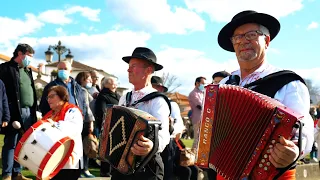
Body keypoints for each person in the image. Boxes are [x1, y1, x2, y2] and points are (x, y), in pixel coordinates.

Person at [217, 10, 314, 179]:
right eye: (237, 37)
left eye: (251, 35)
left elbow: (303, 132)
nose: (243, 41)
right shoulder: (224, 84)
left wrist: (294, 151)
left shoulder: (289, 83)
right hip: (225, 173)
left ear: (266, 40)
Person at [113, 47, 170, 180]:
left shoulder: (157, 100)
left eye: (133, 66)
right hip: (122, 164)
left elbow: (163, 134)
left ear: (149, 70)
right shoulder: (124, 98)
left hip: (146, 166)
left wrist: (151, 145)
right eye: (129, 66)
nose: (128, 69)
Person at [0, 43, 38, 180]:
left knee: (23, 144)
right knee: (11, 143)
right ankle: (7, 174)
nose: (30, 60)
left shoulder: (28, 70)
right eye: (29, 56)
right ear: (20, 54)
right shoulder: (5, 69)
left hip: (29, 112)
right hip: (14, 111)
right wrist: (6, 113)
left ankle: (17, 172)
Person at [151, 76, 199, 180]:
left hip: (169, 142)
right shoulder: (144, 102)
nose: (156, 89)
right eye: (153, 87)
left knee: (168, 172)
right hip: (150, 143)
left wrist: (172, 130)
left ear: (162, 89)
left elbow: (179, 125)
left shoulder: (171, 104)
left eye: (158, 87)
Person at [41, 85, 83, 180]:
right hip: (52, 162)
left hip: (69, 162)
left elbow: (73, 128)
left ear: (62, 96)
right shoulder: (49, 115)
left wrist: (51, 125)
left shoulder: (72, 110)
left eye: (52, 96)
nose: (48, 100)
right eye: (48, 97)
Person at [95, 76, 120, 177]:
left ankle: (114, 170)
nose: (115, 84)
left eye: (116, 82)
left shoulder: (118, 96)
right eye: (112, 82)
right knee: (106, 150)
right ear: (106, 84)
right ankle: (105, 172)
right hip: (107, 126)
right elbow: (101, 112)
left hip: (118, 125)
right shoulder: (102, 96)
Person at [75, 72, 95, 178]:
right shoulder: (81, 91)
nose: (91, 81)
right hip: (81, 122)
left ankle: (84, 169)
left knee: (85, 147)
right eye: (88, 78)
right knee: (81, 147)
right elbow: (87, 108)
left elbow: (89, 106)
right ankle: (82, 170)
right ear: (82, 79)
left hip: (83, 122)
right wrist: (91, 122)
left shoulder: (84, 91)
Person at [188, 76, 206, 151]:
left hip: (204, 118)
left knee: (203, 139)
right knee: (197, 139)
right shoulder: (193, 94)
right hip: (197, 118)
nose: (204, 86)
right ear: (197, 83)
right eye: (202, 83)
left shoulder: (202, 93)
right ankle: (193, 158)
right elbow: (200, 106)